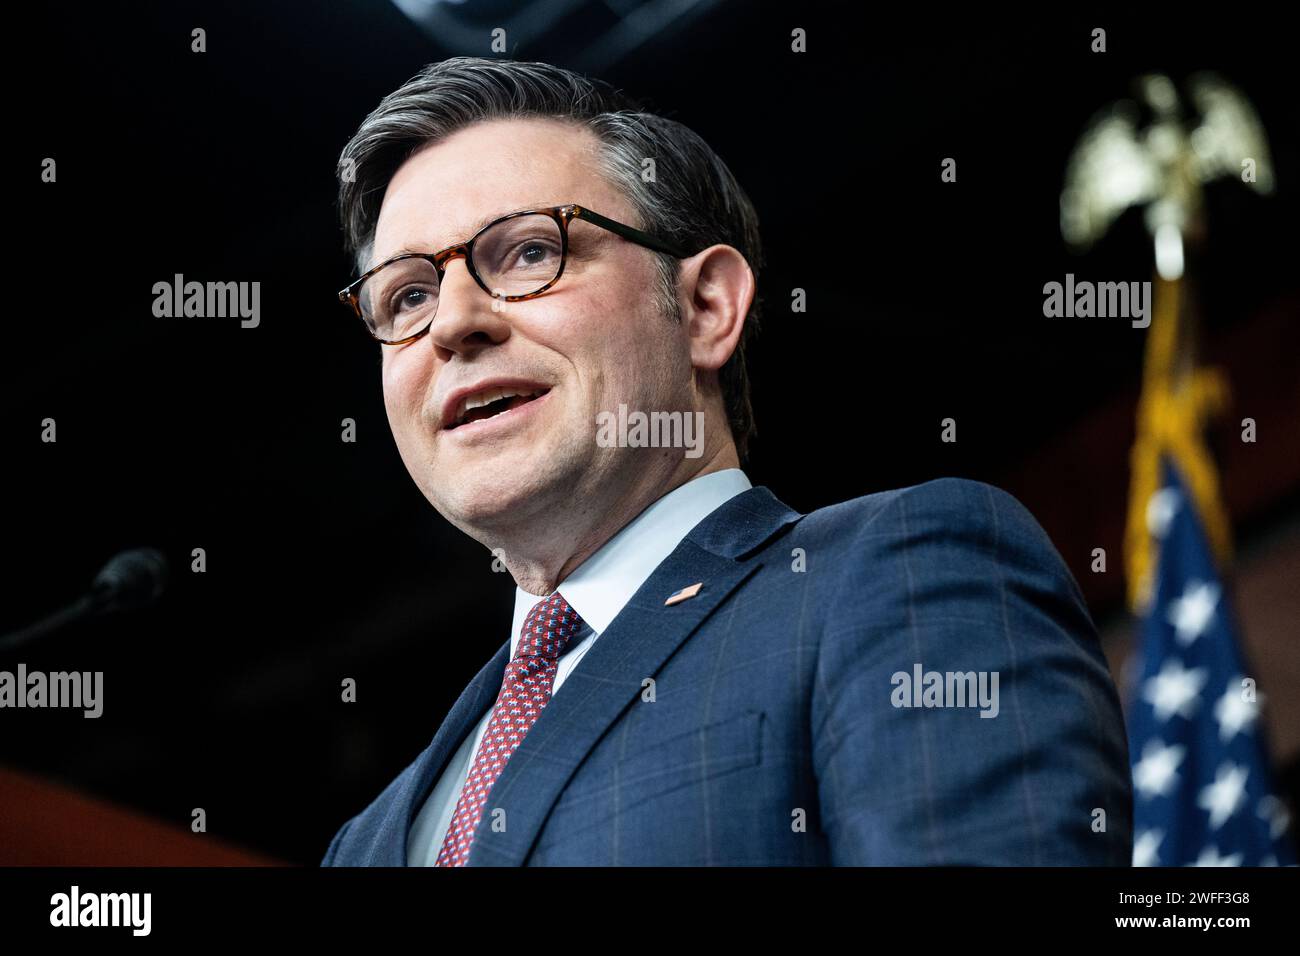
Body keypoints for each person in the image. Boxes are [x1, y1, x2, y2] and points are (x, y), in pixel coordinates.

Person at [321, 57, 1132, 866]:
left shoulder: (898, 573)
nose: (453, 323)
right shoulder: (363, 843)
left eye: (530, 252)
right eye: (407, 295)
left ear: (707, 307)